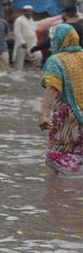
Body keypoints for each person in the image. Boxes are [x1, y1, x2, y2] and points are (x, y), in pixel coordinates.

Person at [38, 24, 83, 177]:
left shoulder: (56, 60)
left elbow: (52, 87)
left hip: (67, 116)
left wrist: (43, 114)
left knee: (54, 156)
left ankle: (53, 189)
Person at [12, 5, 41, 70]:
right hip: (22, 44)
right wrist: (22, 42)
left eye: (31, 11)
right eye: (28, 11)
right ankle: (19, 73)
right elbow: (16, 32)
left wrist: (36, 40)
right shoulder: (19, 20)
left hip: (32, 43)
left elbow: (33, 31)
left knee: (38, 56)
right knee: (19, 64)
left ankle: (34, 71)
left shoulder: (31, 20)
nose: (29, 13)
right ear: (24, 11)